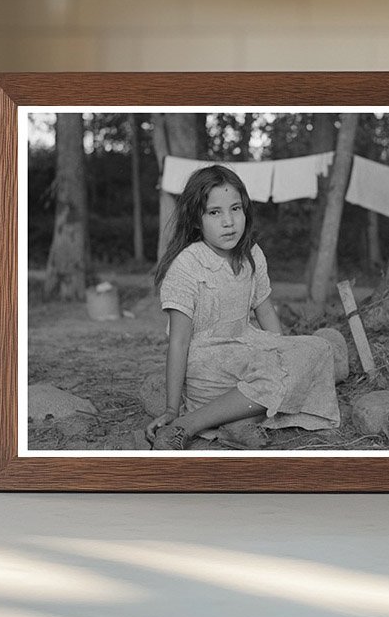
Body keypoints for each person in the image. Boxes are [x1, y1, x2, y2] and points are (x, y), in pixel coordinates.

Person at [146, 164, 341, 450]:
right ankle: (186, 425)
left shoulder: (251, 254)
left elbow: (265, 311)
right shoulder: (187, 266)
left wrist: (285, 355)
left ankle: (234, 420)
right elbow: (179, 341)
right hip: (209, 366)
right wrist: (171, 408)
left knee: (319, 349)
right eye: (215, 212)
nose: (229, 222)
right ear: (196, 220)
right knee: (279, 376)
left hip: (248, 353)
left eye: (235, 209)